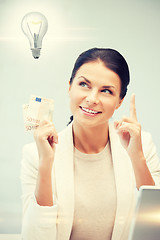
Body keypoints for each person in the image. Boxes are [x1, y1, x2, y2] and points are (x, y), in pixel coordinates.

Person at [21, 48, 160, 240]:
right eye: (84, 84)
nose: (92, 99)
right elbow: (34, 236)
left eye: (106, 91)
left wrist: (137, 158)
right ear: (70, 87)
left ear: (119, 101)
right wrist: (46, 165)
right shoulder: (34, 155)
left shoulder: (142, 145)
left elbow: (154, 228)